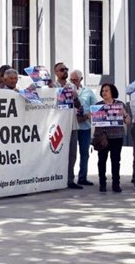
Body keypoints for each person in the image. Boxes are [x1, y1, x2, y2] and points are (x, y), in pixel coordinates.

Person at [94, 83, 130, 193]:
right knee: (101, 161)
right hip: (102, 137)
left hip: (116, 136)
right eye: (103, 91)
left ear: (112, 92)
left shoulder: (120, 104)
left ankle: (116, 184)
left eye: (106, 90)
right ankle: (102, 183)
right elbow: (95, 122)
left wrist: (124, 115)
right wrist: (93, 116)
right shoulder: (98, 105)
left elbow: (128, 122)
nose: (104, 93)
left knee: (115, 160)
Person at [52, 62, 82, 190]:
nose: (64, 71)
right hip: (56, 124)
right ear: (56, 72)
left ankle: (70, 179)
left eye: (66, 69)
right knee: (55, 151)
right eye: (61, 69)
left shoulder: (72, 86)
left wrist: (75, 98)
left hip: (71, 124)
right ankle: (55, 178)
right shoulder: (52, 86)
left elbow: (79, 106)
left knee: (72, 153)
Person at [70, 69, 97, 186]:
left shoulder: (88, 92)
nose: (73, 82)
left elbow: (95, 108)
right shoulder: (67, 90)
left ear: (80, 79)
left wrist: (87, 116)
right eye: (71, 79)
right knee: (71, 154)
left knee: (84, 153)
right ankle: (69, 178)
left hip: (85, 126)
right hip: (71, 126)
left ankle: (82, 177)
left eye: (75, 79)